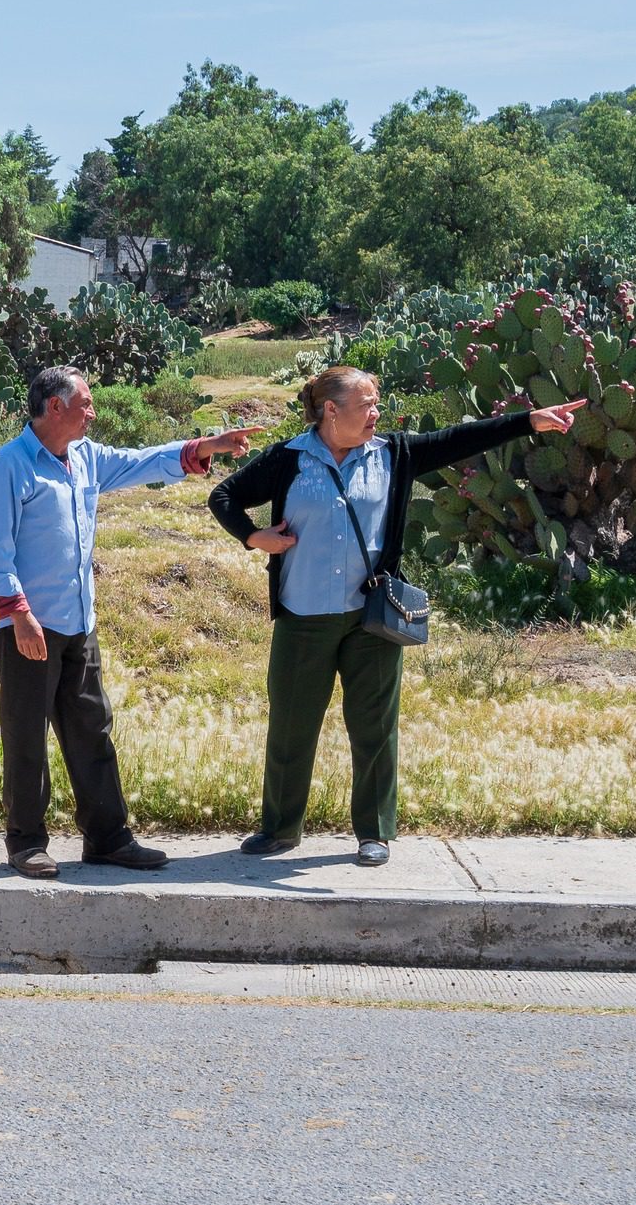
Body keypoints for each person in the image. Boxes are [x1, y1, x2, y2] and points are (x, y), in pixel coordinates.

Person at [208, 367, 585, 865]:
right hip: (304, 616)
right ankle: (279, 830)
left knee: (374, 727)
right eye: (366, 404)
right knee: (291, 726)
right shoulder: (289, 458)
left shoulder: (393, 453)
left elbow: (458, 439)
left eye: (376, 402)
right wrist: (255, 537)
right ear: (330, 411)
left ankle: (374, 832)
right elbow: (224, 497)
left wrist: (526, 422)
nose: (376, 413)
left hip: (372, 615)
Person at [0, 366, 260, 880]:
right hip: (29, 625)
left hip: (78, 623)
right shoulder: (5, 467)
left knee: (92, 729)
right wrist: (17, 615)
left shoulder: (86, 458)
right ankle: (25, 843)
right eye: (85, 402)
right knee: (26, 735)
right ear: (55, 407)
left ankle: (108, 839)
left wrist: (206, 446)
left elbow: (141, 461)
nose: (93, 411)